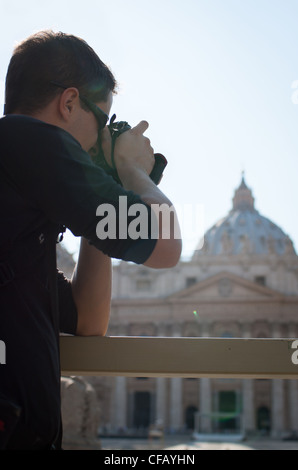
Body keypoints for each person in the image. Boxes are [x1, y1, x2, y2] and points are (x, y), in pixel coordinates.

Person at [0, 30, 181, 450]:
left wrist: (105, 184)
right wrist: (133, 172)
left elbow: (88, 320)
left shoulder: (18, 173)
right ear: (68, 103)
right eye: (101, 121)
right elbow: (167, 245)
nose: (100, 138)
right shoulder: (31, 140)